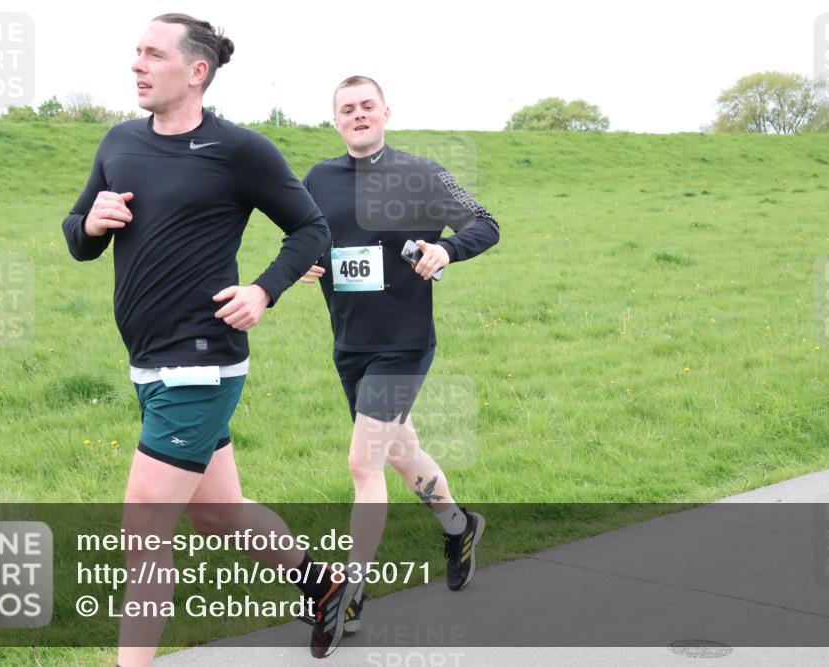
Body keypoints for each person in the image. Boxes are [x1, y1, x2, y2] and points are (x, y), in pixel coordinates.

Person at [61, 14, 353, 663]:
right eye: (135, 52)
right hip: (148, 364)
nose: (137, 64)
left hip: (202, 363)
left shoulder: (239, 150)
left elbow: (311, 229)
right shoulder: (118, 143)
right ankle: (325, 583)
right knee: (219, 513)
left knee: (144, 530)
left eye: (153, 55)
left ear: (196, 72)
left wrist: (263, 290)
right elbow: (77, 234)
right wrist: (91, 223)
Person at [301, 75, 500, 635]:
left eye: (368, 106)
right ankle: (459, 526)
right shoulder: (318, 178)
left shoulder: (423, 173)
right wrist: (308, 262)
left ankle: (350, 593)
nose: (358, 114)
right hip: (350, 344)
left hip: (404, 343)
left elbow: (486, 223)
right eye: (347, 109)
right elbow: (307, 236)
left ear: (386, 112)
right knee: (397, 451)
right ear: (336, 120)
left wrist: (446, 248)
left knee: (363, 462)